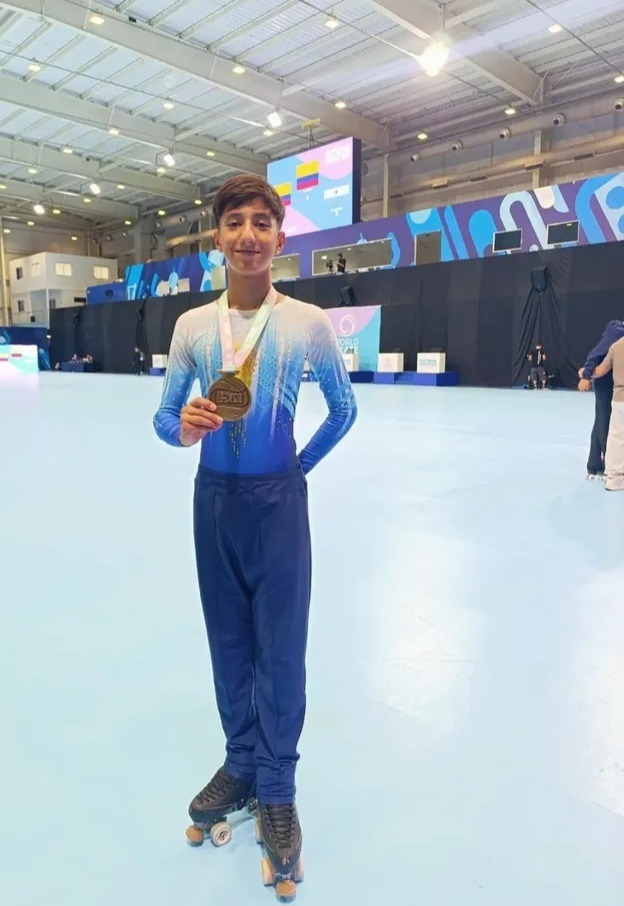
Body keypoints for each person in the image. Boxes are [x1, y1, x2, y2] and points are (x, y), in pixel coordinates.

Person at [153, 174, 357, 892]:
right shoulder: (192, 327)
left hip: (278, 506)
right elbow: (164, 418)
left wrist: (295, 470)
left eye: (261, 223)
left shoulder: (305, 323)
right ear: (218, 237)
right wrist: (182, 430)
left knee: (281, 649)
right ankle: (240, 763)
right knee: (230, 645)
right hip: (212, 503)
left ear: (280, 237)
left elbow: (343, 410)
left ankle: (277, 787)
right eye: (235, 222)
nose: (247, 235)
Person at [577, 320, 624, 479]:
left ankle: (594, 465)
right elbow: (595, 354)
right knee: (605, 422)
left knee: (601, 421)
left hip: (611, 382)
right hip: (605, 384)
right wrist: (586, 375)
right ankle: (607, 465)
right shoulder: (618, 332)